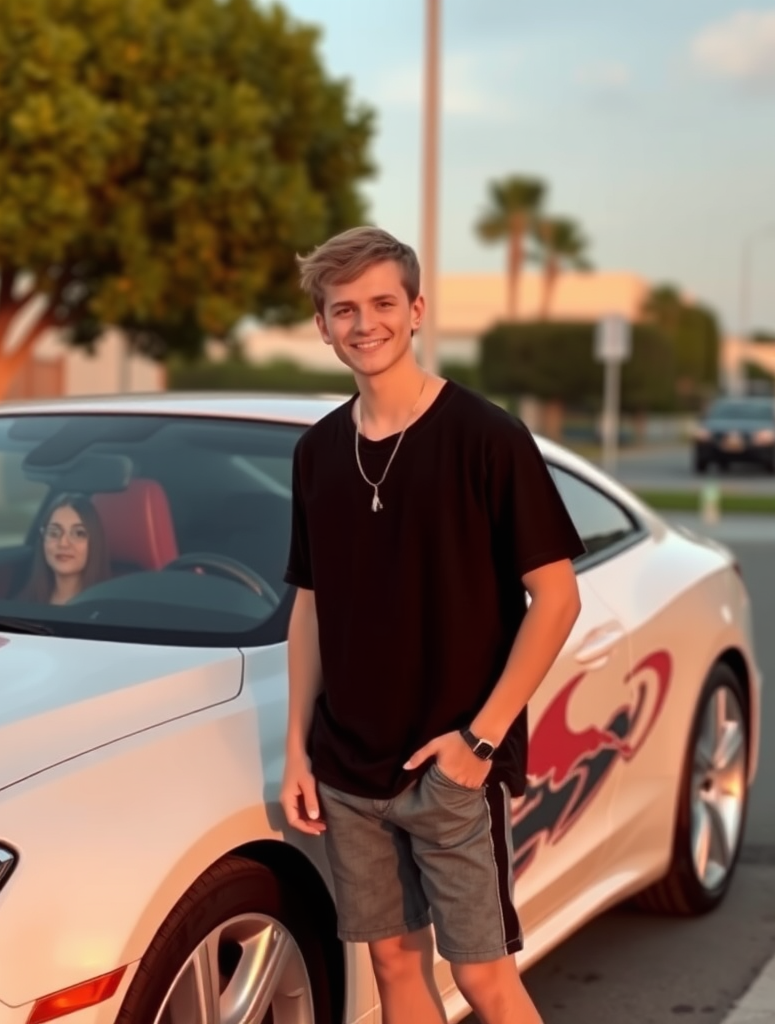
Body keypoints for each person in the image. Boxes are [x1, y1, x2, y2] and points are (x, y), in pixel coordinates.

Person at [279, 226, 586, 1024]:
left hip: (450, 765)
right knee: (391, 966)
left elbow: (557, 601)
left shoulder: (486, 437)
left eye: (382, 303)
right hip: (347, 769)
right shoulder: (316, 453)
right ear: (321, 325)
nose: (363, 323)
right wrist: (297, 751)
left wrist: (478, 743)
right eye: (342, 309)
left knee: (485, 980)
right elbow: (309, 606)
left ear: (416, 310)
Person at [18, 492, 110, 605]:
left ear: (94, 542)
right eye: (54, 533)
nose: (63, 543)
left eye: (79, 533)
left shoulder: (106, 608)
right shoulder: (24, 603)